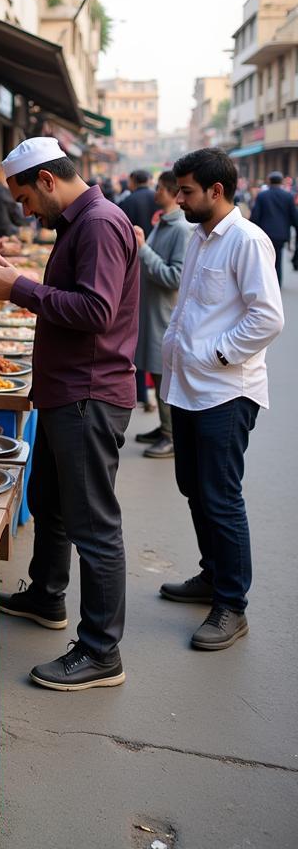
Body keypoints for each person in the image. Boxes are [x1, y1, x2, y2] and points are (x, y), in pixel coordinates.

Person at [0, 136, 138, 691]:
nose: (24, 211)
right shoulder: (78, 225)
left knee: (93, 524)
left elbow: (96, 312)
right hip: (67, 390)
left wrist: (20, 288)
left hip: (89, 394)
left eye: (25, 199)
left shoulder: (100, 224)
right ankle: (47, 594)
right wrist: (18, 280)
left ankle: (102, 650)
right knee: (50, 501)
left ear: (48, 180)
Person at [158, 148, 284, 651]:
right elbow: (190, 305)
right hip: (188, 387)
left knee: (221, 496)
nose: (179, 198)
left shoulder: (248, 241)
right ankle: (212, 575)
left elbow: (268, 317)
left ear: (216, 190)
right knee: (193, 485)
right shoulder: (198, 236)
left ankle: (232, 605)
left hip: (224, 391)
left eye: (186, 191)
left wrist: (219, 354)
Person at [133, 171, 191, 459]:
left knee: (163, 372)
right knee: (156, 372)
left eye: (159, 188)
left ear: (170, 192)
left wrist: (143, 249)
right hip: (152, 307)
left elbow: (175, 277)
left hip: (164, 311)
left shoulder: (180, 229)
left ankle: (171, 434)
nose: (155, 191)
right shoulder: (164, 223)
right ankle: (163, 427)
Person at [249, 171, 298, 284]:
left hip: (265, 233)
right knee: (278, 259)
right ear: (281, 182)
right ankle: (277, 284)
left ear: (269, 181)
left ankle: (266, 283)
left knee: (265, 260)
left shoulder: (262, 195)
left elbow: (256, 216)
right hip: (281, 234)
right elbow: (294, 216)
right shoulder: (288, 196)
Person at [120, 169, 157, 236]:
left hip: (137, 239)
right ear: (148, 181)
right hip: (155, 239)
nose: (128, 184)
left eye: (129, 181)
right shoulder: (157, 197)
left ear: (133, 181)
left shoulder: (128, 200)